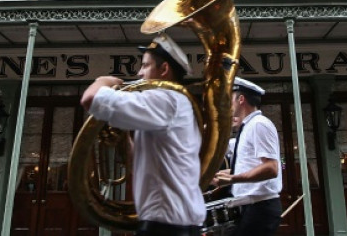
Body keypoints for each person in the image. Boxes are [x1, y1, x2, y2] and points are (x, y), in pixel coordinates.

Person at [81, 34, 205, 236]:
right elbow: (135, 163)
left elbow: (91, 98)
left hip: (166, 226)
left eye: (145, 66)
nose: (139, 73)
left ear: (164, 69)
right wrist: (124, 138)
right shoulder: (174, 102)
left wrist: (102, 80)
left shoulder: (165, 99)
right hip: (170, 222)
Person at [213, 77, 282, 236]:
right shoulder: (248, 127)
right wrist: (217, 176)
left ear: (241, 99)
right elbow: (248, 167)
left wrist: (232, 179)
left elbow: (271, 168)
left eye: (230, 99)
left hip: (260, 207)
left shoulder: (259, 124)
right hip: (251, 207)